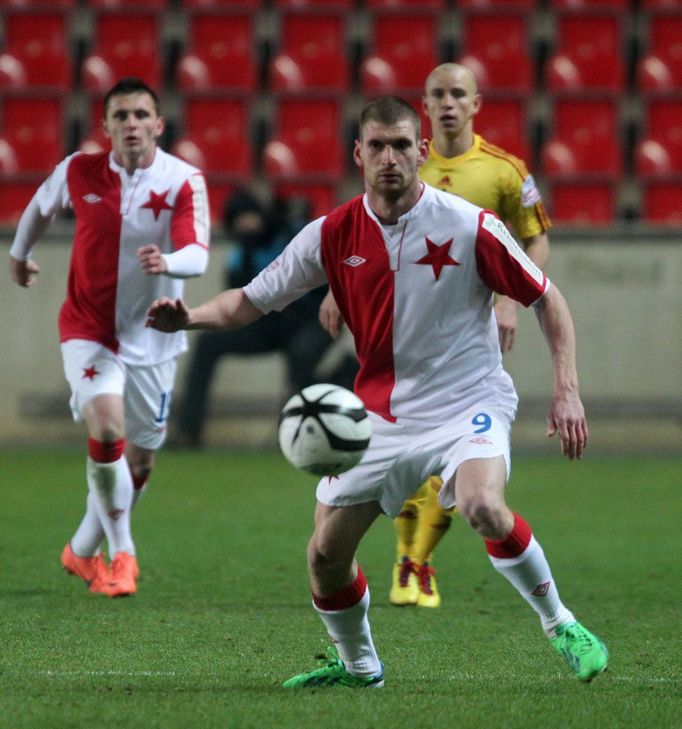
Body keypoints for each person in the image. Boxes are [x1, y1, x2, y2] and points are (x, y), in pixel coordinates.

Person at [146, 96, 608, 686]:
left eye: (400, 145)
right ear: (359, 155)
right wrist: (187, 317)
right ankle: (361, 667)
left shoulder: (470, 226)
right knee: (324, 556)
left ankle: (560, 622)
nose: (389, 158)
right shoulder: (332, 234)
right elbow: (248, 301)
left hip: (469, 402)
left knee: (482, 506)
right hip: (382, 415)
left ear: (420, 151)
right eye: (377, 147)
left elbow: (548, 298)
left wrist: (566, 389)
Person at [319, 63, 552, 609]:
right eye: (438, 94)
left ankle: (418, 561)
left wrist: (509, 301)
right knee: (403, 466)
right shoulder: (392, 162)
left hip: (465, 338)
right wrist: (338, 287)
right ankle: (411, 559)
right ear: (423, 105)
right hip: (397, 350)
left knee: (461, 468)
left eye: (458, 94)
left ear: (476, 104)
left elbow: (534, 245)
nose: (448, 103)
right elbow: (361, 244)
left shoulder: (504, 171)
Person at [9, 77, 210, 598]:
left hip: (154, 337)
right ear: (106, 127)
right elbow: (38, 206)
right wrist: (19, 254)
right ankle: (124, 555)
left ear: (158, 125)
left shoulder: (184, 181)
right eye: (120, 116)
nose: (131, 124)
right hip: (88, 328)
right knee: (104, 429)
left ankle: (80, 548)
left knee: (140, 460)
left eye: (141, 114)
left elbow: (199, 255)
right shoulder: (79, 170)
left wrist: (168, 261)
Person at [172, 187, 355, 449]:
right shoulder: (238, 256)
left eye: (249, 216)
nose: (246, 224)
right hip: (266, 325)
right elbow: (242, 301)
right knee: (207, 344)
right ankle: (188, 432)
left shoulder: (292, 234)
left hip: (311, 320)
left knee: (301, 360)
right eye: (239, 220)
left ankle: (304, 424)